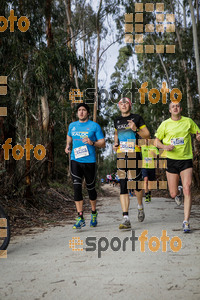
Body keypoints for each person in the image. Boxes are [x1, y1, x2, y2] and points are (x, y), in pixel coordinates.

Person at [154, 101, 200, 232]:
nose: (175, 108)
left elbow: (197, 133)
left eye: (177, 106)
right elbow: (156, 141)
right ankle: (178, 192)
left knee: (188, 188)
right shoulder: (165, 124)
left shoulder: (188, 121)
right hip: (171, 160)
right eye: (173, 106)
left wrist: (198, 136)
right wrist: (165, 147)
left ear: (181, 108)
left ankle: (186, 221)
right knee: (173, 193)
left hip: (186, 159)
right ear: (170, 110)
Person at [65, 103, 105, 229]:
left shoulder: (94, 126)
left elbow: (103, 143)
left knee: (90, 188)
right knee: (76, 188)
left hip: (89, 162)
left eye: (83, 110)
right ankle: (80, 217)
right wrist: (67, 146)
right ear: (77, 113)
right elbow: (69, 136)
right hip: (75, 160)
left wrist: (92, 142)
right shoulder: (72, 125)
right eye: (79, 110)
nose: (81, 112)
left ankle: (93, 213)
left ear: (88, 113)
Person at [113, 97, 150, 229]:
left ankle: (140, 206)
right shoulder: (116, 120)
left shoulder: (137, 118)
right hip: (121, 154)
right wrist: (115, 143)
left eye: (126, 103)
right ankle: (126, 218)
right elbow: (116, 134)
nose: (123, 105)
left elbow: (147, 135)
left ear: (130, 105)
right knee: (123, 184)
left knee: (136, 185)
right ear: (119, 106)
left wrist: (135, 129)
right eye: (121, 103)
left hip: (135, 153)